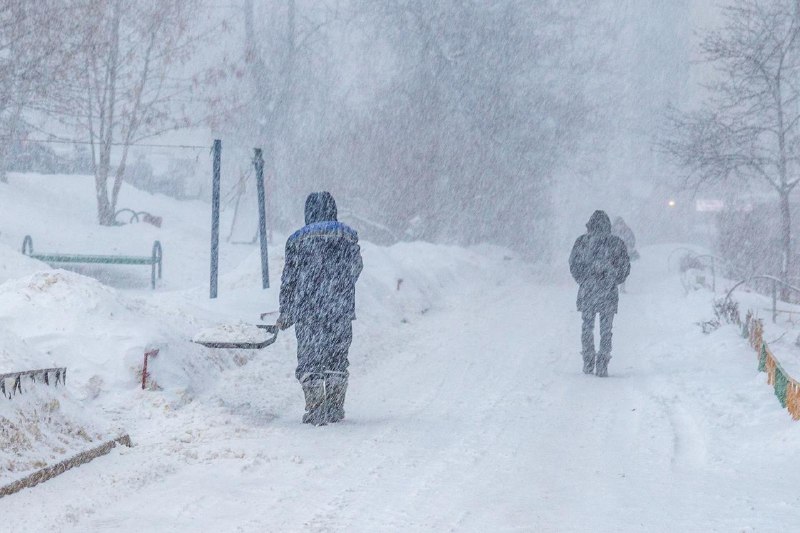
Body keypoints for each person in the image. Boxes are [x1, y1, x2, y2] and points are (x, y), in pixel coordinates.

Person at [277, 192, 363, 425]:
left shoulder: (296, 240)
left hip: (308, 311)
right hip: (339, 309)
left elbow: (289, 279)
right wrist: (338, 288)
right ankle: (334, 407)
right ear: (333, 210)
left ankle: (316, 408)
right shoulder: (347, 235)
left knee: (310, 359)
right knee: (336, 357)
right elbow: (356, 268)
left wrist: (286, 310)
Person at [569, 210, 630, 377]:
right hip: (608, 294)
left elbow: (573, 265)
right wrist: (613, 279)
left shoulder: (582, 242)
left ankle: (588, 360)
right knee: (606, 329)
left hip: (588, 291)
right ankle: (603, 362)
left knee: (587, 327)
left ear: (589, 225)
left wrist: (584, 280)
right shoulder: (616, 243)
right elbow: (624, 267)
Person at [611, 216, 638, 293]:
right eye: (618, 224)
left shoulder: (627, 231)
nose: (619, 226)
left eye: (621, 224)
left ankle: (622, 287)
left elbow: (632, 240)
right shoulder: (612, 231)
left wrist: (629, 246)